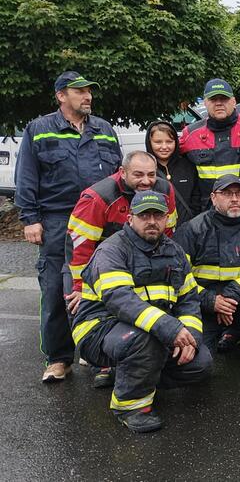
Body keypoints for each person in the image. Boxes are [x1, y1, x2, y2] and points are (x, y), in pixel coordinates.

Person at [71, 190, 211, 433]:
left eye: (158, 215)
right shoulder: (112, 250)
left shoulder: (175, 252)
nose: (152, 221)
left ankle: (132, 375)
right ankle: (130, 406)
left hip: (150, 330)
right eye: (144, 215)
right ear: (130, 219)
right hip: (100, 328)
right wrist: (170, 328)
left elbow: (188, 300)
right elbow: (119, 299)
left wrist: (190, 337)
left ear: (167, 219)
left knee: (201, 363)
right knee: (145, 341)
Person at [15, 71, 122, 382]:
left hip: (100, 220)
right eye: (80, 92)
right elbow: (27, 176)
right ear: (61, 96)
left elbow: (117, 175)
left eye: (89, 91)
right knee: (54, 289)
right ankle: (59, 358)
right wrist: (30, 219)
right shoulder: (40, 129)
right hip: (57, 219)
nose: (87, 96)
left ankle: (97, 349)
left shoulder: (103, 129)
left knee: (101, 285)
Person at [66, 151, 177, 387]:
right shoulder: (98, 197)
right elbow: (79, 245)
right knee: (92, 304)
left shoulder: (165, 190)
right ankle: (102, 362)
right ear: (122, 172)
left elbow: (168, 231)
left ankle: (143, 356)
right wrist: (80, 286)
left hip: (139, 257)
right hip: (97, 262)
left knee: (137, 306)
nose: (146, 181)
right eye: (138, 175)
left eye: (151, 174)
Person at [173, 175, 240, 377]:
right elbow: (177, 279)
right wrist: (211, 301)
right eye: (227, 194)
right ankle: (220, 339)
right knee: (197, 366)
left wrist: (233, 294)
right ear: (213, 198)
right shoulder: (192, 229)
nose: (234, 199)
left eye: (239, 194)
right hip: (204, 306)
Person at [179, 78, 240, 213]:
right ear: (205, 103)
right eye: (213, 99)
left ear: (234, 101)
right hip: (207, 213)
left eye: (223, 99)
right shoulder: (190, 134)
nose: (219, 103)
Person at [145, 120, 199, 226]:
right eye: (158, 142)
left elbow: (196, 197)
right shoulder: (145, 168)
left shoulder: (188, 164)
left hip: (188, 230)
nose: (164, 147)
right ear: (149, 142)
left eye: (169, 141)